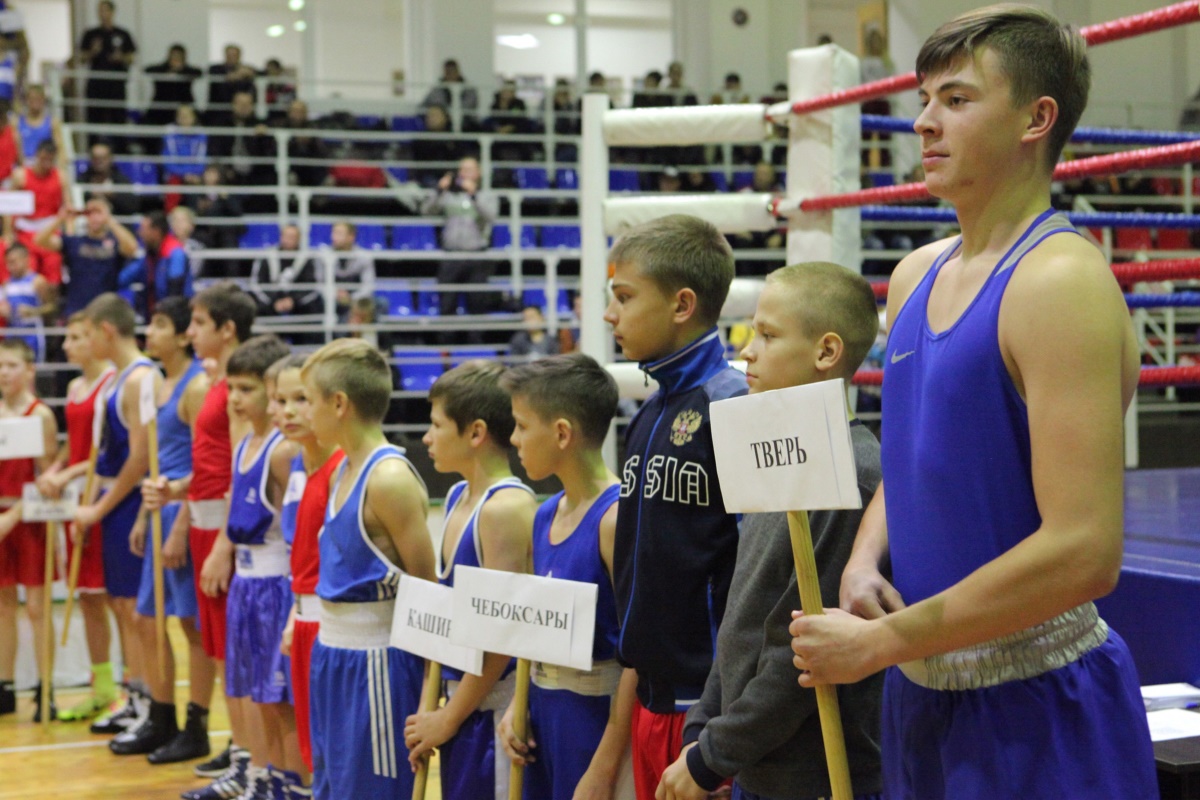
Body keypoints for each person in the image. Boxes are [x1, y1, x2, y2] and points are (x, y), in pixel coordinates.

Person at [788, 8, 1158, 799]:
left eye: (956, 100)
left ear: (1037, 118)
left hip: (1039, 708)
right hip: (919, 692)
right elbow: (920, 458)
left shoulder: (1059, 282)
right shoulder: (918, 271)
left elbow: (1085, 552)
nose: (923, 122)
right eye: (925, 99)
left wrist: (884, 639)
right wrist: (862, 559)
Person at [656, 262, 885, 800]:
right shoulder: (773, 461)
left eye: (767, 335)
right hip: (756, 769)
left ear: (826, 352)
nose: (747, 353)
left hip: (821, 779)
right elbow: (744, 616)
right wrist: (704, 734)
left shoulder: (853, 474)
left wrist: (713, 756)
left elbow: (800, 654)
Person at [602, 214, 747, 799]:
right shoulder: (650, 409)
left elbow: (759, 575)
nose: (611, 314)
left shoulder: (734, 405)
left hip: (707, 714)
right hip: (650, 701)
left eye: (624, 297)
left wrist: (723, 718)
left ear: (682, 304)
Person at [497, 353, 638, 798]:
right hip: (542, 716)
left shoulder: (617, 519)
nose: (514, 438)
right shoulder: (542, 516)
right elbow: (536, 630)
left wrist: (606, 763)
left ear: (561, 433)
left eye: (521, 425)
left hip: (598, 720)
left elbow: (639, 658)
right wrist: (519, 703)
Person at [302, 338, 437, 799]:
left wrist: (427, 697)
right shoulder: (343, 467)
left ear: (339, 403)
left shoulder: (388, 479)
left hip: (378, 663)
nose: (304, 412)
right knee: (332, 788)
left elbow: (428, 591)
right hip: (331, 655)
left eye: (308, 400)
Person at [141, 283, 257, 794]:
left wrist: (224, 543)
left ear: (227, 328)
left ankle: (250, 756)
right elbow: (211, 469)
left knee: (234, 650)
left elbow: (239, 471)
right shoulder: (214, 384)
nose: (190, 332)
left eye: (199, 322)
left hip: (223, 530)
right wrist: (176, 489)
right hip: (206, 520)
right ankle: (240, 749)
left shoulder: (238, 387)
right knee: (219, 647)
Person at [405, 360, 538, 799]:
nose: (426, 437)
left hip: (492, 708)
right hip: (461, 704)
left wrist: (446, 718)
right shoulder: (461, 495)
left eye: (436, 424)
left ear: (476, 432)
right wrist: (430, 706)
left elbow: (502, 638)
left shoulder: (505, 508)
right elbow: (445, 617)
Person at [109, 297, 211, 761]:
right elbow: (153, 456)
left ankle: (197, 724)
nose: (150, 332)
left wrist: (177, 526)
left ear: (186, 334)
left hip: (182, 512)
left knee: (189, 625)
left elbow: (203, 465)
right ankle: (161, 713)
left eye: (161, 324)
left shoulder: (195, 387)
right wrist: (140, 515)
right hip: (157, 509)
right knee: (148, 620)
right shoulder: (155, 382)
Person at [222, 334, 305, 800]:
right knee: (256, 693)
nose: (236, 399)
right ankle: (264, 776)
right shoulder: (246, 442)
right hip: (246, 580)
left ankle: (291, 784)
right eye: (231, 389)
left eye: (249, 390)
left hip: (275, 582)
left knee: (280, 699)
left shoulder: (283, 451)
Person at [74, 293, 157, 740]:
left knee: (134, 610)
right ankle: (134, 697)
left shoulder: (140, 379)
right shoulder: (118, 379)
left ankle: (147, 703)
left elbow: (142, 458)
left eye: (88, 334)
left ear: (106, 330)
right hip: (113, 503)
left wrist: (101, 507)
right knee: (122, 607)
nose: (85, 343)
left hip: (126, 504)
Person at [34, 313, 115, 722]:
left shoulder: (111, 385)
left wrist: (67, 472)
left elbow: (105, 453)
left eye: (77, 337)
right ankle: (102, 687)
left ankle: (131, 690)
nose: (66, 344)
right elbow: (76, 444)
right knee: (86, 598)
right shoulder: (74, 386)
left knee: (109, 596)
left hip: (99, 495)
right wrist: (56, 469)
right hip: (74, 496)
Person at [273, 354, 343, 783]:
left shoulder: (343, 469)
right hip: (301, 613)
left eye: (301, 398)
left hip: (333, 623)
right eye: (280, 400)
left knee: (335, 753)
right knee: (312, 748)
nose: (288, 411)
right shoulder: (295, 461)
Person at [0, 339, 59, 720]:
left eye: (11, 365)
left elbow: (48, 475)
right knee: (3, 605)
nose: (4, 373)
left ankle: (45, 687)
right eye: (0, 367)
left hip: (30, 519)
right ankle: (5, 686)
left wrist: (16, 513)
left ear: (29, 370)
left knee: (37, 607)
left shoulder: (41, 416)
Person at [421, 156, 499, 329]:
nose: (466, 173)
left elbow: (491, 216)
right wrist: (439, 190)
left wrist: (474, 195)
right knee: (447, 304)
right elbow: (426, 211)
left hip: (477, 256)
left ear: (478, 173)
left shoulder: (486, 195)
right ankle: (446, 348)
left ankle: (477, 348)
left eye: (470, 169)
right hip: (451, 256)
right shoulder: (448, 195)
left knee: (477, 303)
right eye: (463, 169)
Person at [34, 198, 138, 318]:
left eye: (98, 212)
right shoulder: (74, 241)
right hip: (76, 309)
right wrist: (60, 219)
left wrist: (110, 220)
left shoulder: (115, 242)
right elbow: (39, 240)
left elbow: (132, 248)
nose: (94, 218)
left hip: (105, 310)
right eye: (90, 213)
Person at [7, 139, 64, 285]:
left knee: (54, 265)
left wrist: (68, 232)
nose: (46, 162)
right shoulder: (21, 175)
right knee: (23, 267)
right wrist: (8, 233)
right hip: (25, 231)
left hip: (49, 232)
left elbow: (66, 207)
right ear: (37, 155)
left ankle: (52, 304)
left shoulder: (60, 177)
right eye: (44, 158)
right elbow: (8, 206)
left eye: (50, 159)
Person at [117, 211, 193, 322]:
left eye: (144, 228)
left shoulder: (175, 253)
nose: (140, 233)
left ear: (156, 232)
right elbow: (123, 278)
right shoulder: (150, 255)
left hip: (172, 318)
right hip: (153, 314)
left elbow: (175, 293)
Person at [78, 0, 136, 138]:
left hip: (116, 84)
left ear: (112, 12)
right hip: (96, 85)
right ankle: (93, 150)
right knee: (93, 120)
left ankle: (119, 151)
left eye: (106, 10)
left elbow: (132, 58)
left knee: (118, 119)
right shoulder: (91, 34)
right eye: (100, 10)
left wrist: (120, 57)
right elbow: (81, 59)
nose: (103, 14)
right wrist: (93, 52)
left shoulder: (123, 33)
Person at [249, 223, 323, 319]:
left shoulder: (308, 259)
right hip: (271, 304)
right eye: (286, 236)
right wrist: (274, 301)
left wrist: (293, 301)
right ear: (281, 236)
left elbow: (313, 286)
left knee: (314, 307)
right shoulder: (267, 256)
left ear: (299, 238)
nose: (288, 240)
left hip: (299, 307)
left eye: (292, 237)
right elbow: (257, 283)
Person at [0, 243, 53, 361]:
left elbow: (52, 308)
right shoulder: (7, 284)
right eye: (7, 263)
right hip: (12, 333)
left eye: (13, 262)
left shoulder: (38, 281)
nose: (10, 267)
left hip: (32, 333)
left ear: (26, 260)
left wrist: (34, 311)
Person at [322, 220, 375, 321]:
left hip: (357, 299)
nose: (333, 237)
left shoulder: (364, 257)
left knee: (378, 304)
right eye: (333, 233)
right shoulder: (324, 256)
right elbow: (319, 284)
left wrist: (351, 297)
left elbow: (368, 286)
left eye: (339, 233)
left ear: (351, 237)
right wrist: (335, 294)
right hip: (332, 299)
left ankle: (370, 336)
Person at [143, 43, 202, 128]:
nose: (175, 59)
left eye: (178, 56)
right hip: (161, 107)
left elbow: (199, 72)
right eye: (173, 56)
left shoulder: (187, 70)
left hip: (183, 105)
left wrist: (180, 72)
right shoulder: (162, 68)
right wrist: (167, 73)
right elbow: (147, 70)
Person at [161, 105, 207, 211]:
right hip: (175, 175)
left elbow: (201, 160)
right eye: (181, 116)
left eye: (187, 116)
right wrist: (185, 174)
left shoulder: (200, 135)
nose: (184, 119)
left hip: (194, 176)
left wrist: (192, 174)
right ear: (177, 119)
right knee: (173, 186)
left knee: (197, 188)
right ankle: (171, 220)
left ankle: (193, 222)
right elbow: (168, 162)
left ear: (193, 118)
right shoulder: (170, 134)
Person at [77, 141, 138, 216]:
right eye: (96, 158)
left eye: (103, 158)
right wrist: (90, 194)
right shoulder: (82, 180)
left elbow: (132, 207)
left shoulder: (121, 180)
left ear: (110, 158)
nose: (99, 161)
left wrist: (113, 195)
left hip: (115, 223)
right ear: (91, 159)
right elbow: (76, 204)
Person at [15, 84, 65, 166]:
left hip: (45, 164)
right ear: (27, 100)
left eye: (39, 99)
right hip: (24, 164)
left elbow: (60, 149)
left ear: (44, 101)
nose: (35, 102)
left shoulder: (52, 123)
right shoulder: (17, 122)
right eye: (32, 99)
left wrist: (60, 167)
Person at [207, 44, 259, 118]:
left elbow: (258, 72)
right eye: (229, 55)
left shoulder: (246, 69)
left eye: (234, 55)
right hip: (219, 108)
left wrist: (244, 73)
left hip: (241, 107)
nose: (232, 57)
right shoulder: (216, 68)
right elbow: (211, 72)